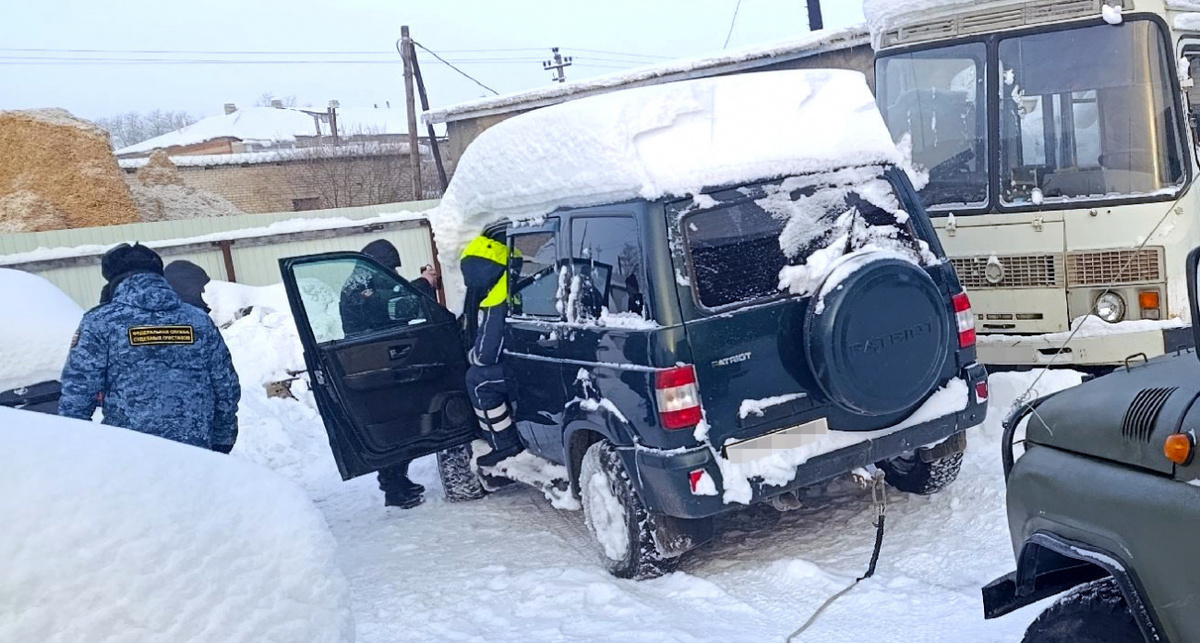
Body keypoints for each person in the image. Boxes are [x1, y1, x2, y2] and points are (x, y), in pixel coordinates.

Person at [59, 243, 241, 453]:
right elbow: (225, 386)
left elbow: (78, 392)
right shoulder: (198, 320)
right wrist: (222, 440)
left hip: (132, 455)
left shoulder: (100, 322)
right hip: (197, 452)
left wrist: (74, 448)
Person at [343, 239, 426, 509]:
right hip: (373, 363)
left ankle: (397, 481)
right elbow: (394, 307)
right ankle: (394, 489)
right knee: (393, 427)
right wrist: (424, 285)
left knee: (399, 425)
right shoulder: (360, 288)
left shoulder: (365, 280)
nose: (394, 273)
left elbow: (393, 295)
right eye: (391, 268)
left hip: (378, 359)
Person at [460, 234, 524, 468]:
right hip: (538, 357)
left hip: (524, 369)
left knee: (477, 380)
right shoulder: (519, 277)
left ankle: (504, 442)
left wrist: (470, 356)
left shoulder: (497, 297)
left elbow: (487, 354)